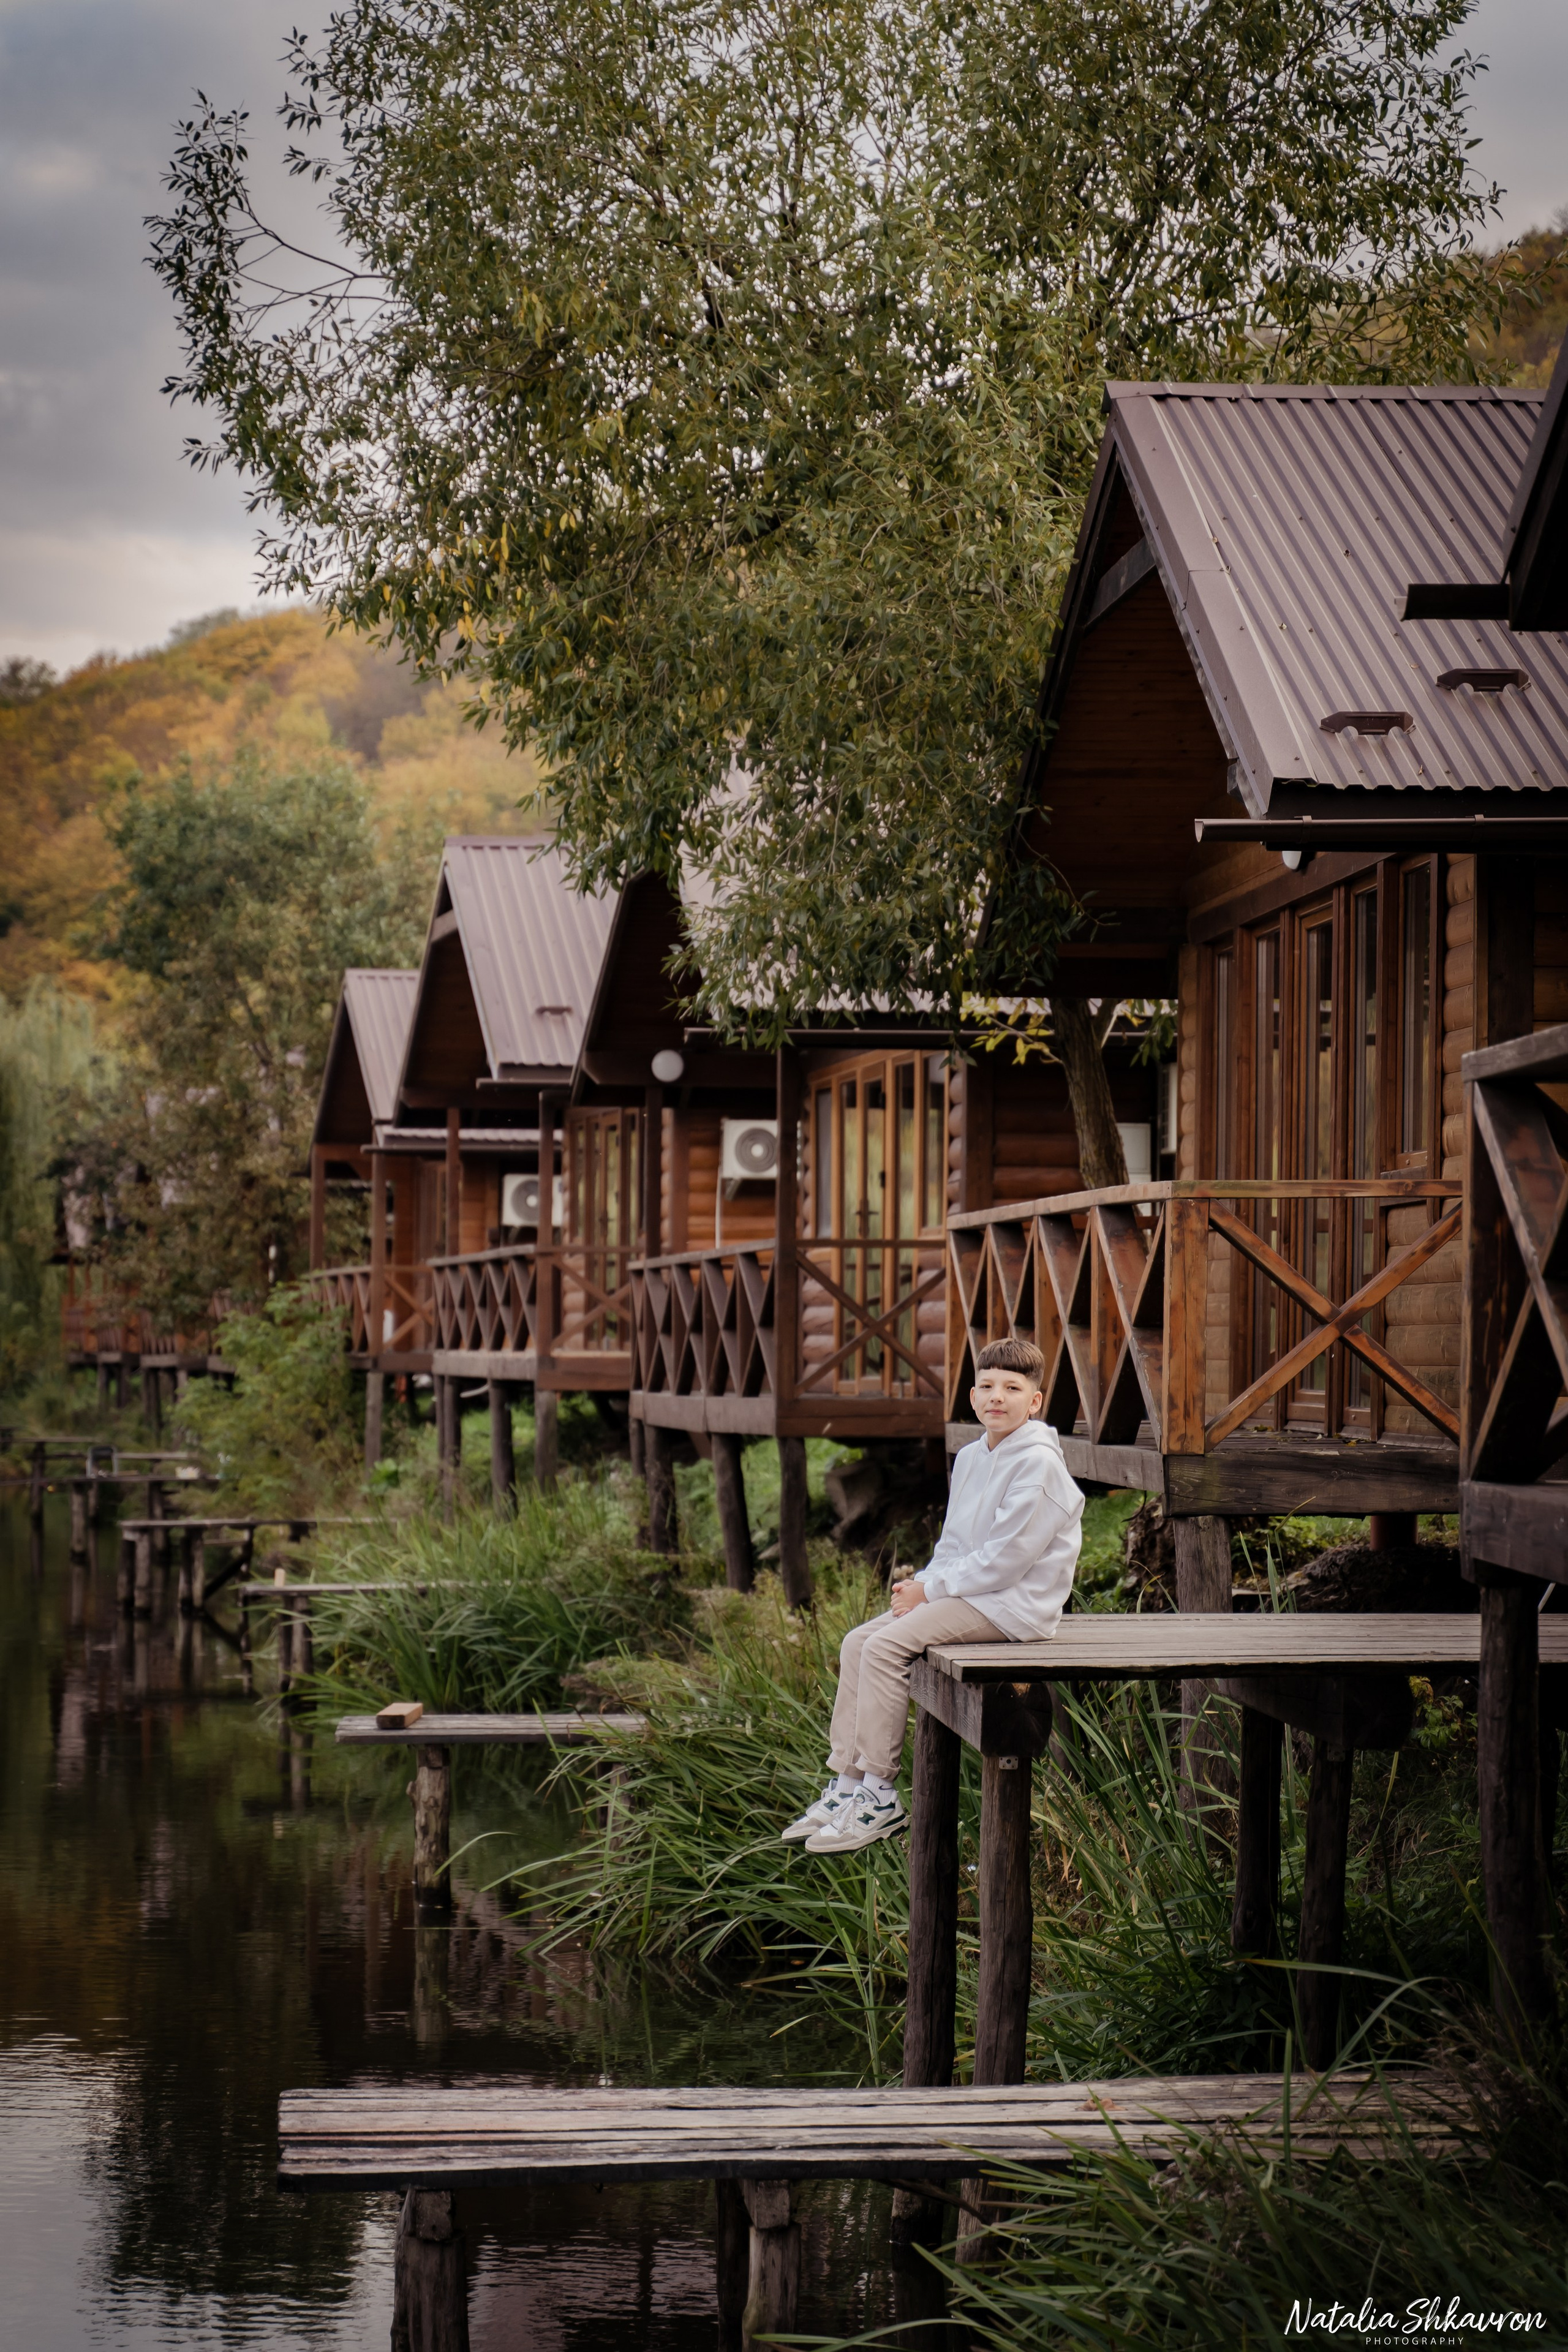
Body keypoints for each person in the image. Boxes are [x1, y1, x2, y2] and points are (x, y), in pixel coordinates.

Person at [783, 1336, 1083, 1855]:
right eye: (988, 1386)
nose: (998, 1397)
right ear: (973, 1397)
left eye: (1013, 1388)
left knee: (885, 1648)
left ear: (1034, 1402)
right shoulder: (971, 1457)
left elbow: (1007, 1560)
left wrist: (932, 1590)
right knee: (858, 1643)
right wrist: (923, 1584)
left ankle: (879, 1795)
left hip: (1014, 1606)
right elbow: (956, 1545)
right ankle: (849, 1785)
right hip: (971, 1595)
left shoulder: (1038, 1464)